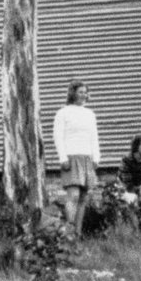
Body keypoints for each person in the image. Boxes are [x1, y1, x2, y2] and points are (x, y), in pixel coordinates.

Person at [48, 80, 101, 225]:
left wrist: (96, 157)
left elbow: (94, 136)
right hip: (71, 157)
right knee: (74, 196)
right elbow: (58, 137)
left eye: (85, 92)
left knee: (83, 198)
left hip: (87, 157)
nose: (84, 95)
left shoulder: (90, 114)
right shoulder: (63, 113)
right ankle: (69, 230)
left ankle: (77, 233)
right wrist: (62, 158)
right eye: (80, 92)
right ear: (73, 94)